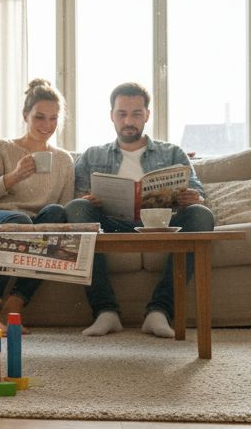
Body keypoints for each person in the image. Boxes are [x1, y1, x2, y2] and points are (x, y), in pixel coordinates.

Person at [65, 82, 215, 338]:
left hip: (162, 224)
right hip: (111, 224)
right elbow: (76, 198)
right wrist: (89, 200)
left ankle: (160, 311)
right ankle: (106, 312)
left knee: (202, 215)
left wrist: (193, 197)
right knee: (77, 209)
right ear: (112, 115)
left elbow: (197, 190)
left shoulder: (172, 152)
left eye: (136, 114)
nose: (129, 121)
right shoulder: (92, 155)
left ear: (147, 115)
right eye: (122, 114)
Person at [0, 78, 75, 317]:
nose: (47, 125)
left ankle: (16, 301)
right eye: (39, 117)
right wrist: (12, 177)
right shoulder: (0, 148)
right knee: (19, 223)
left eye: (53, 118)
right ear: (25, 115)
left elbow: (61, 211)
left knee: (56, 216)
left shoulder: (64, 161)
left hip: (30, 226)